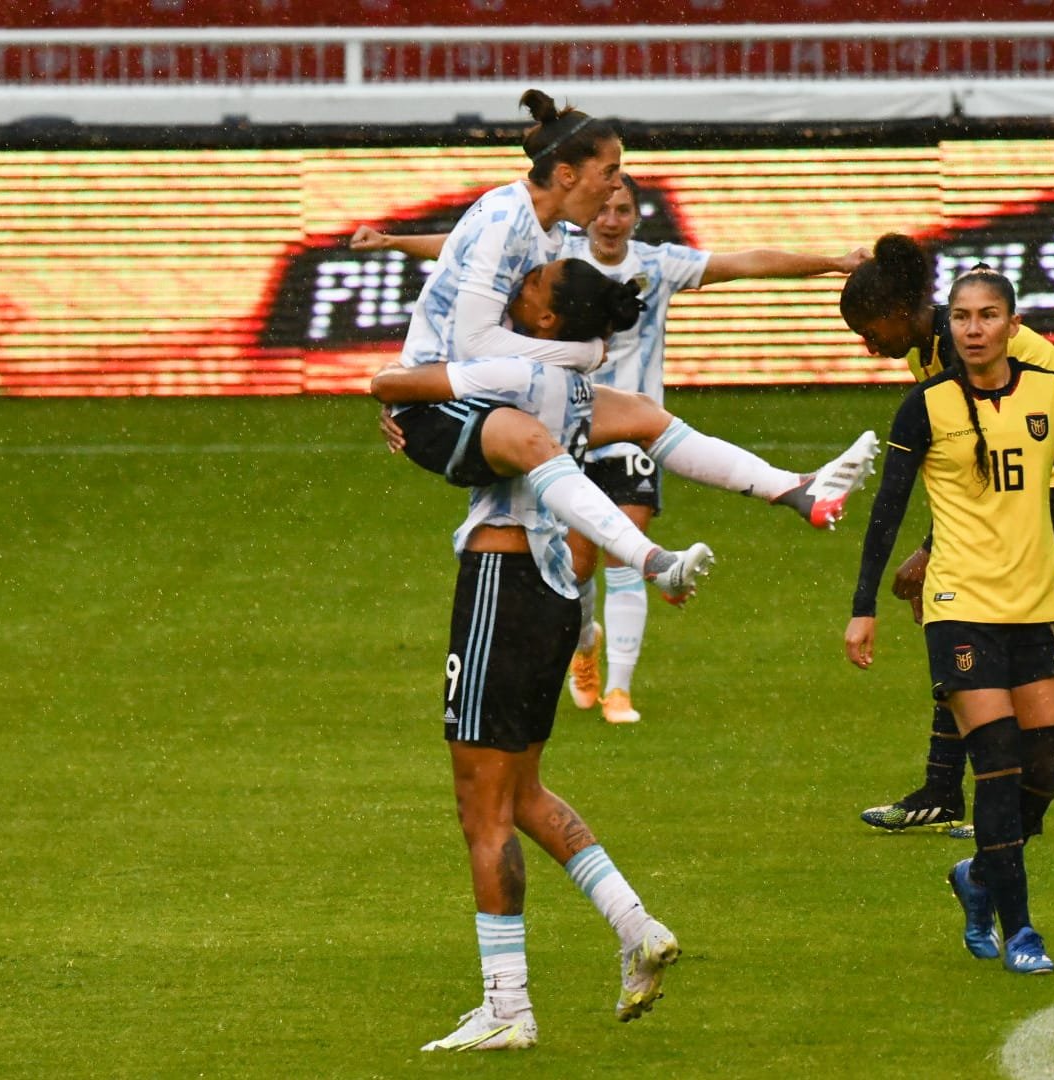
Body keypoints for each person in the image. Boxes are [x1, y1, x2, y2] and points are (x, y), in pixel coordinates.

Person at [357, 174, 872, 723]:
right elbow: (467, 248)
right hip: (581, 416)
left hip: (505, 545)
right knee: (634, 444)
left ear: (634, 216)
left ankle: (647, 586)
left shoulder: (534, 342)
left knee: (493, 782)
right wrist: (396, 242)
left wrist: (398, 391)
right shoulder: (563, 267)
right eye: (603, 204)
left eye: (621, 207)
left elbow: (746, 260)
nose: (522, 282)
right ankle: (785, 489)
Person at [368, 88, 879, 610]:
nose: (617, 184)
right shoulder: (508, 223)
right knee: (544, 445)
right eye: (610, 171)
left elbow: (464, 289)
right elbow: (475, 342)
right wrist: (580, 356)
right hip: (441, 403)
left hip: (471, 389)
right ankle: (651, 562)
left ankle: (795, 490)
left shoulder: (546, 229)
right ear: (568, 175)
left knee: (637, 413)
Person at [381, 257, 682, 1051]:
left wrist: (408, 419)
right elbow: (656, 427)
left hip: (501, 581)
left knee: (479, 810)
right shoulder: (576, 387)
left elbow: (399, 384)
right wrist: (786, 488)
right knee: (522, 794)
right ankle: (636, 926)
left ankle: (507, 1006)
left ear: (548, 321)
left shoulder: (516, 377)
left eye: (532, 287)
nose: (516, 290)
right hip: (553, 594)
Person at [843, 264, 1054, 974]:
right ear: (945, 320)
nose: (972, 328)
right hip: (966, 599)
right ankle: (1020, 926)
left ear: (1011, 324)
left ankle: (976, 867)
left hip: (1050, 550)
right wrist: (869, 600)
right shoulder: (928, 391)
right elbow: (908, 501)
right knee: (1001, 763)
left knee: (1045, 765)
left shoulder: (1042, 391)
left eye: (986, 316)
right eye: (961, 317)